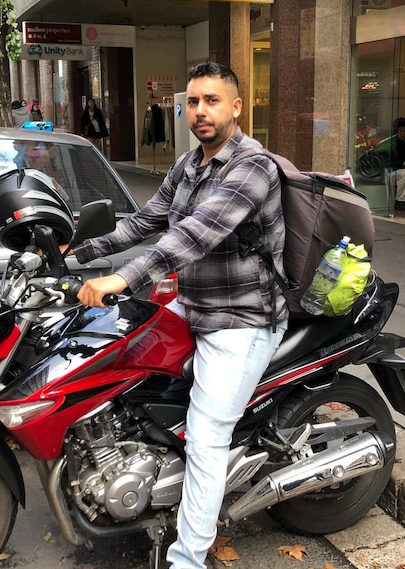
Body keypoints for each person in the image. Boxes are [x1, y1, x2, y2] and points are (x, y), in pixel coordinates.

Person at [70, 62, 287, 569]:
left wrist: (123, 278)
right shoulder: (188, 164)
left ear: (237, 106)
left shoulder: (254, 166)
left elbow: (195, 235)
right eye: (192, 101)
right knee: (124, 375)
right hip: (192, 304)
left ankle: (188, 559)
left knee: (207, 436)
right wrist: (76, 250)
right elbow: (147, 221)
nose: (201, 111)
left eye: (212, 100)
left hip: (242, 318)